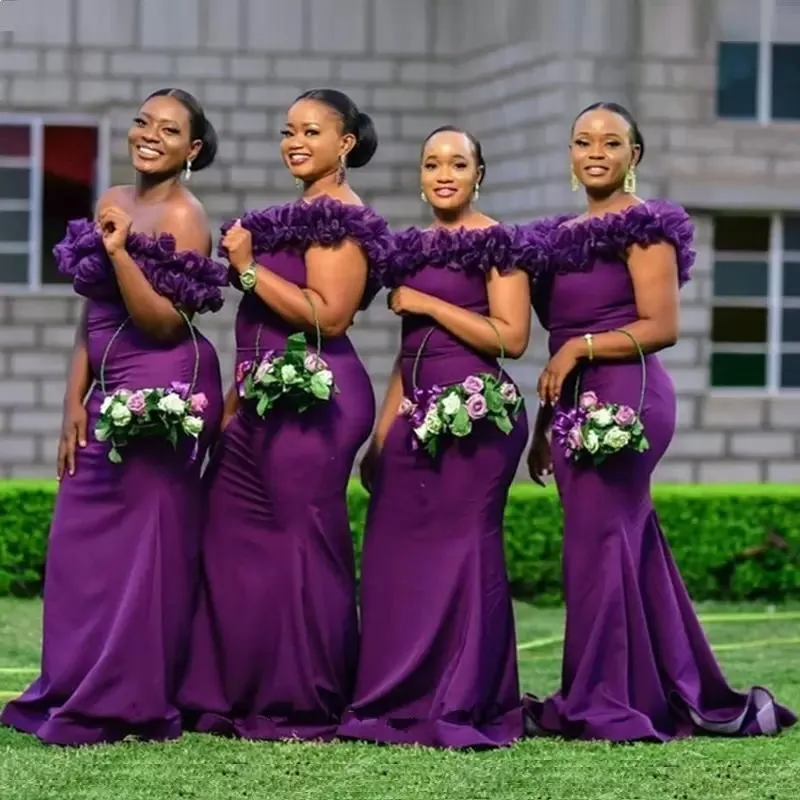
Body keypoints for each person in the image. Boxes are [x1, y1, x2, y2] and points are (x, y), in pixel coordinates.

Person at [522, 101, 797, 742]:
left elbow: (660, 327)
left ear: (633, 156)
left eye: (611, 142)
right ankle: (643, 687)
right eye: (582, 140)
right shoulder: (555, 239)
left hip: (628, 394)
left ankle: (604, 699)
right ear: (569, 153)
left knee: (598, 545)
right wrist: (542, 425)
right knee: (618, 542)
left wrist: (579, 350)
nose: (595, 151)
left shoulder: (645, 227)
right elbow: (557, 336)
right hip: (571, 401)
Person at [0, 89, 226, 746]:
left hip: (164, 384)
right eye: (142, 122)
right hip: (105, 384)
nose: (149, 135)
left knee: (146, 547)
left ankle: (128, 696)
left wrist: (123, 253)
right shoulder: (112, 200)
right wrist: (75, 399)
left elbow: (160, 322)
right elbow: (92, 312)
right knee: (79, 542)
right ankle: (73, 681)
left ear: (194, 150)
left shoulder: (187, 215)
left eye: (169, 129)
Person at [178, 89, 389, 741]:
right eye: (287, 131)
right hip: (259, 395)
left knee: (301, 544)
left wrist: (244, 269)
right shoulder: (297, 210)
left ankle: (303, 696)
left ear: (345, 143)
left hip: (316, 396)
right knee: (231, 539)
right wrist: (233, 405)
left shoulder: (343, 217)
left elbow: (328, 315)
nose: (294, 141)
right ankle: (230, 689)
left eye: (311, 131)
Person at [337, 127, 531, 749]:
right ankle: (398, 693)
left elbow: (512, 337)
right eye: (431, 164)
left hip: (480, 417)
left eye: (457, 163)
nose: (443, 173)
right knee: (396, 556)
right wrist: (382, 435)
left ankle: (468, 697)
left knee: (465, 553)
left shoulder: (498, 243)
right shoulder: (409, 248)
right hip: (415, 414)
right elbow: (406, 355)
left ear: (479, 173)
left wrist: (427, 302)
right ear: (420, 177)